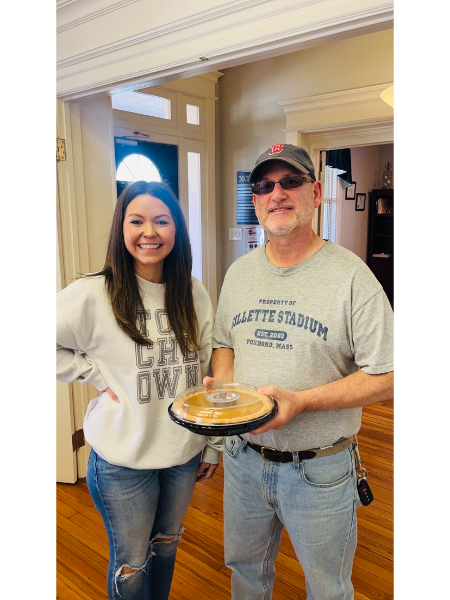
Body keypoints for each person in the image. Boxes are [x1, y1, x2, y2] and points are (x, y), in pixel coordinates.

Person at [206, 143, 394, 600]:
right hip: (243, 459)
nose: (278, 194)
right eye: (265, 186)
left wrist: (303, 401)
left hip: (320, 470)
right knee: (245, 571)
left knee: (327, 587)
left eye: (290, 182)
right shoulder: (239, 273)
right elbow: (224, 343)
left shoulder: (352, 277)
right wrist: (228, 390)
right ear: (255, 200)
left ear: (314, 192)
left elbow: (387, 373)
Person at [56, 180, 222, 600]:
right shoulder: (94, 294)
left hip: (183, 453)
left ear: (176, 230)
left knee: (166, 545)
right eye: (137, 220)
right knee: (131, 564)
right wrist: (92, 372)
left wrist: (214, 443)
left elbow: (209, 370)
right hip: (122, 462)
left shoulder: (192, 290)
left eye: (161, 221)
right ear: (122, 228)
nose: (150, 231)